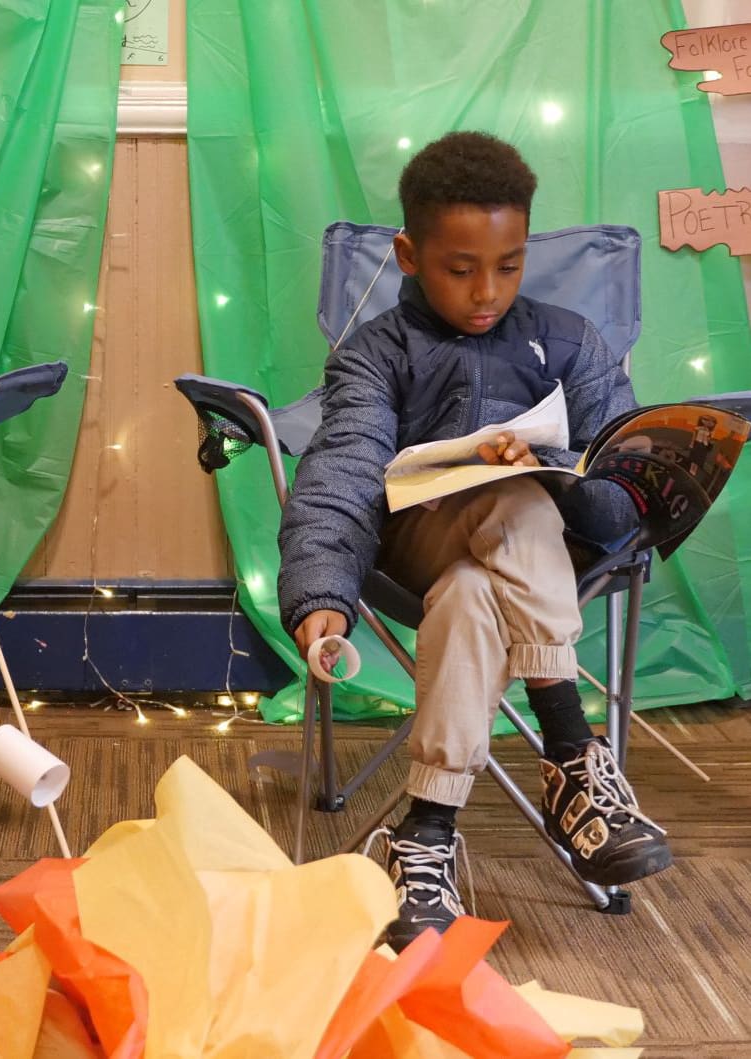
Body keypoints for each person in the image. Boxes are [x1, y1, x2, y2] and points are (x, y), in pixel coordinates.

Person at [278, 131, 672, 951]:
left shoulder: (569, 342)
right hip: (410, 546)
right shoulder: (378, 353)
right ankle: (571, 749)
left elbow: (617, 497)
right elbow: (343, 472)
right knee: (506, 498)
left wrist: (558, 462)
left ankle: (423, 832)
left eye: (509, 264)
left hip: (532, 568)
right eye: (461, 269)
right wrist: (320, 594)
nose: (486, 290)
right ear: (409, 255)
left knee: (475, 583)